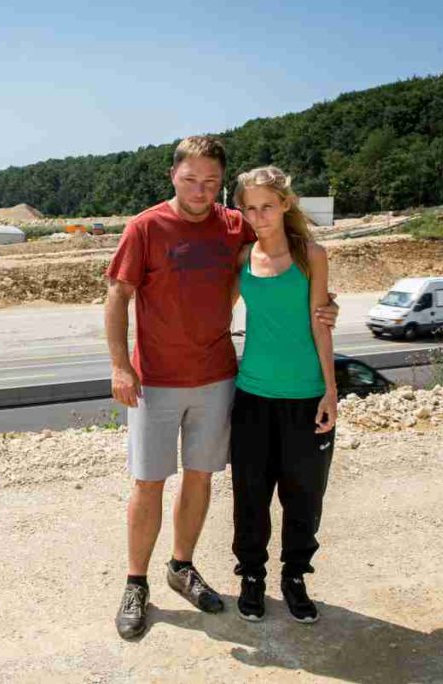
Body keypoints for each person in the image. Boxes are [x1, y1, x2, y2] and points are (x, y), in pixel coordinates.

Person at [105, 138, 338, 640]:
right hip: (155, 382)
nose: (200, 190)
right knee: (148, 482)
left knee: (201, 477)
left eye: (211, 182)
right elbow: (117, 295)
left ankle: (181, 567)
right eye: (191, 179)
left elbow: (283, 263)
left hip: (218, 378)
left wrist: (325, 304)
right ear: (173, 175)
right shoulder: (145, 227)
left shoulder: (234, 225)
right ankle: (136, 582)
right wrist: (121, 367)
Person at [229, 166, 337, 625]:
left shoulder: (312, 255)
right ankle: (251, 577)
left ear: (286, 205)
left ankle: (294, 577)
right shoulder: (240, 260)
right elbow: (214, 314)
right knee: (250, 495)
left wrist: (330, 391)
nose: (259, 216)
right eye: (250, 208)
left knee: (303, 496)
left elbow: (320, 322)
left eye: (267, 206)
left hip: (305, 395)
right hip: (252, 396)